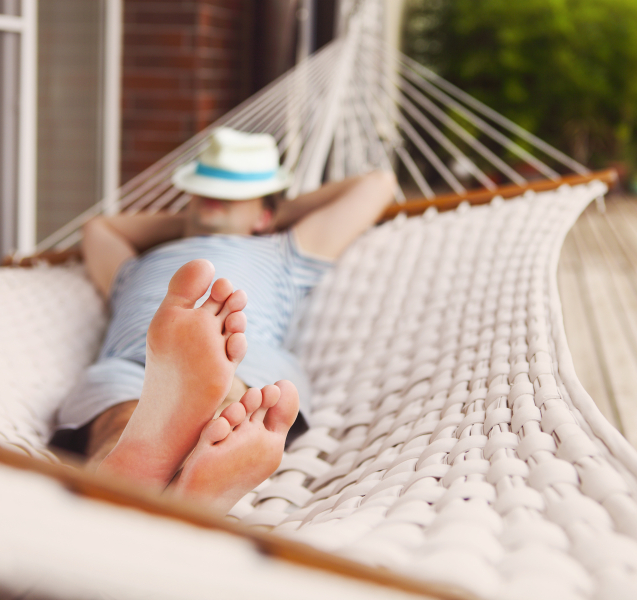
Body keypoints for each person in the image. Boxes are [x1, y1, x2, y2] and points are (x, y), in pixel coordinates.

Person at [54, 128, 397, 514]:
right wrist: (197, 222)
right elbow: (97, 228)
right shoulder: (135, 266)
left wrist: (273, 218)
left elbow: (379, 183)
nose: (215, 195)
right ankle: (182, 470)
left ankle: (187, 435)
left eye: (233, 191)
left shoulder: (284, 250)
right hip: (131, 364)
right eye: (207, 187)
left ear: (266, 214)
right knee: (123, 425)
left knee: (229, 388)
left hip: (246, 357)